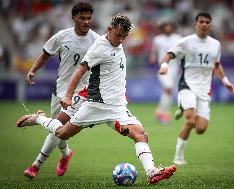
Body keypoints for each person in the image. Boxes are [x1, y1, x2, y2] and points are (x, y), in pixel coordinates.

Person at [16, 14, 176, 185]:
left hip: (117, 107)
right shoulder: (100, 47)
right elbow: (80, 70)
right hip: (96, 105)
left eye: (124, 36)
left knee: (141, 135)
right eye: (118, 35)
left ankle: (152, 172)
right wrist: (68, 96)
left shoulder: (118, 44)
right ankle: (37, 118)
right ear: (109, 30)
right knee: (62, 133)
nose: (121, 39)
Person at [21, 2, 100, 178]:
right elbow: (45, 54)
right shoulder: (62, 36)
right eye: (82, 18)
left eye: (89, 18)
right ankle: (66, 154)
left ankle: (35, 166)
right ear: (74, 18)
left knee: (59, 127)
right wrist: (33, 70)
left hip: (80, 93)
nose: (86, 22)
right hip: (60, 90)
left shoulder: (96, 40)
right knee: (56, 130)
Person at [158, 12, 234, 165]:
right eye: (201, 21)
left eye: (207, 22)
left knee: (200, 129)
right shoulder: (186, 42)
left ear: (210, 25)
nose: (204, 24)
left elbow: (217, 65)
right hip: (187, 86)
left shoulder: (215, 44)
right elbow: (168, 55)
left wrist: (226, 81)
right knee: (190, 120)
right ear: (196, 24)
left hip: (204, 90)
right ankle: (178, 157)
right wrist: (164, 65)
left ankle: (183, 108)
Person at [149, 21, 182, 124]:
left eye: (170, 26)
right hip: (163, 67)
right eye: (166, 26)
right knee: (168, 88)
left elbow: (181, 50)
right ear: (163, 28)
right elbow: (154, 51)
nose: (168, 28)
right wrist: (153, 57)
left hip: (175, 68)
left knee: (168, 90)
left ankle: (159, 110)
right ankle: (165, 113)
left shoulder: (178, 38)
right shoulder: (158, 39)